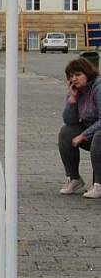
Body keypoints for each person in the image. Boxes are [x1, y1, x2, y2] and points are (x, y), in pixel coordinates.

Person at [58, 57, 101, 197]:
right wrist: (72, 99)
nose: (74, 79)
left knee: (98, 136)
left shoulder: (98, 88)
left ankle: (99, 184)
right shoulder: (77, 91)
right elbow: (69, 121)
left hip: (97, 135)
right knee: (66, 132)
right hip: (91, 134)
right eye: (71, 76)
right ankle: (74, 178)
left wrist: (83, 135)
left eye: (78, 75)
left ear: (87, 73)